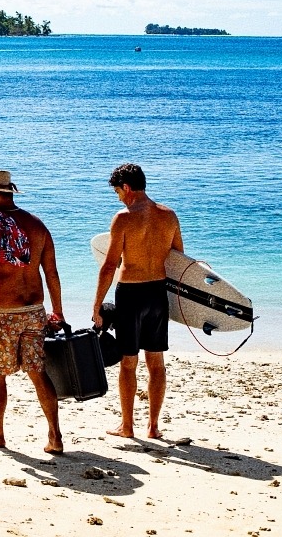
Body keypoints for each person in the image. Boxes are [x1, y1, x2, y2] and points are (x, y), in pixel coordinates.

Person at [0, 169, 64, 454]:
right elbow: (52, 274)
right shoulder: (38, 225)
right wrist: (57, 312)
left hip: (4, 314)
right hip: (35, 311)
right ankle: (55, 437)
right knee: (38, 372)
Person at [92, 163, 183, 440]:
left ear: (127, 188)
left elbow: (109, 266)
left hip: (130, 295)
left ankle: (127, 426)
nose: (118, 196)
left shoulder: (123, 218)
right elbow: (179, 258)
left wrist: (97, 306)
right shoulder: (169, 216)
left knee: (128, 364)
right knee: (156, 363)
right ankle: (153, 427)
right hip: (157, 294)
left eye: (118, 191)